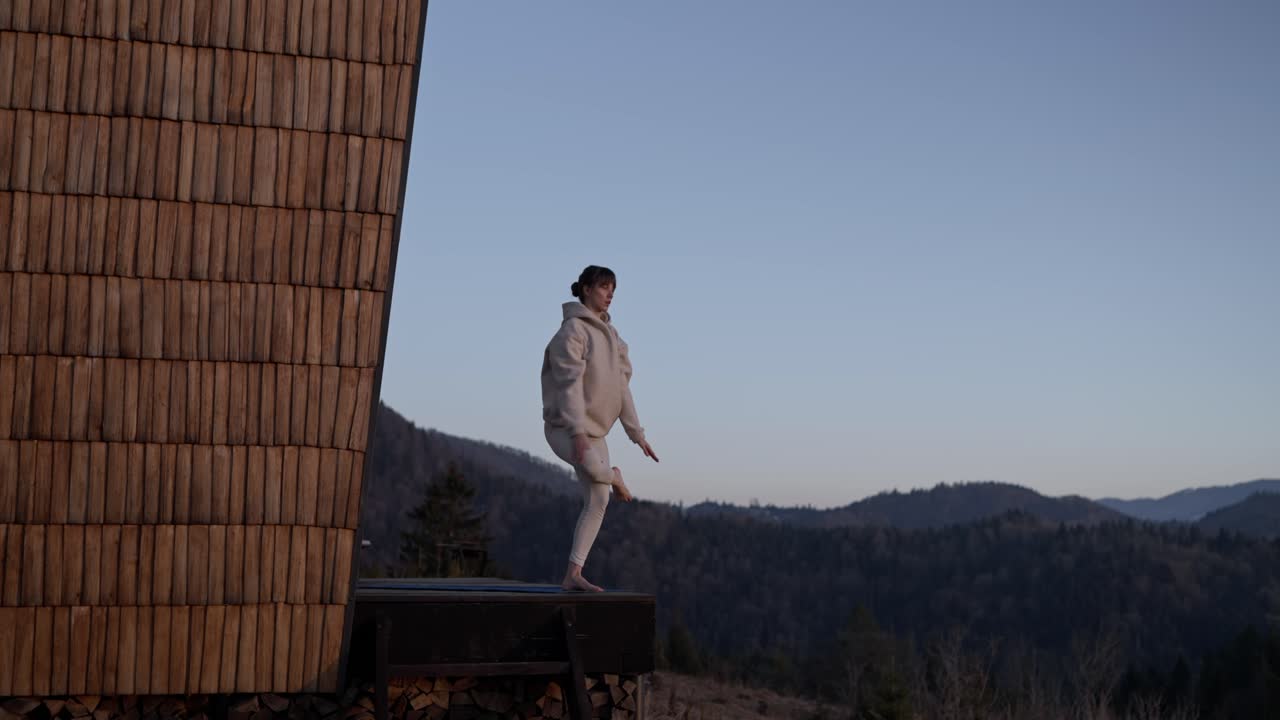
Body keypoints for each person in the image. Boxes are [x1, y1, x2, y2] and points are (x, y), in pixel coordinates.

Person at [541, 265, 659, 592]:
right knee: (596, 471)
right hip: (565, 428)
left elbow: (621, 389)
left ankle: (573, 574)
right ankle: (614, 475)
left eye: (613, 290)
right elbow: (568, 384)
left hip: (595, 432)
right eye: (604, 287)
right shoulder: (572, 333)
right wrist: (577, 432)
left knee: (598, 501)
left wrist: (637, 435)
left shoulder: (613, 338)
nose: (609, 295)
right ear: (586, 289)